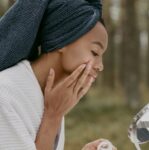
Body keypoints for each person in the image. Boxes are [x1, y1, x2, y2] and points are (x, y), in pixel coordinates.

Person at [0, 0, 117, 150]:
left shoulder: (51, 96)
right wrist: (52, 118)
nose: (100, 66)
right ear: (63, 39)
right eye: (94, 52)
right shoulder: (5, 96)